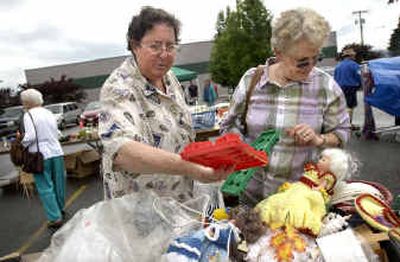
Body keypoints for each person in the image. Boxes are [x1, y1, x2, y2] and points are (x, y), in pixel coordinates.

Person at [99, 7, 233, 201]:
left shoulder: (169, 79)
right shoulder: (119, 88)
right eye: (155, 46)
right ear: (135, 46)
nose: (164, 54)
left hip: (180, 204)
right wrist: (190, 168)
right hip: (141, 214)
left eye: (170, 46)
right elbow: (122, 152)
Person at [220, 7, 350, 206]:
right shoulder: (251, 80)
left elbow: (341, 134)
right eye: (302, 62)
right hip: (251, 197)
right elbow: (229, 124)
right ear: (278, 53)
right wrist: (241, 148)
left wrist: (318, 138)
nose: (310, 67)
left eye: (316, 58)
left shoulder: (326, 87)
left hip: (300, 201)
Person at [20, 89, 66, 228]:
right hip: (56, 151)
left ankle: (54, 217)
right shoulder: (49, 112)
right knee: (58, 183)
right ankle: (60, 208)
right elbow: (58, 133)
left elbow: (31, 136)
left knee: (45, 186)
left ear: (27, 102)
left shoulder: (29, 115)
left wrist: (22, 143)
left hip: (40, 155)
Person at [334, 48, 362, 130]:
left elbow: (335, 78)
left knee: (342, 107)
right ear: (350, 56)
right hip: (350, 87)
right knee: (350, 107)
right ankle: (347, 125)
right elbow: (359, 76)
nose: (354, 57)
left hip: (339, 88)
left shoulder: (338, 65)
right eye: (353, 55)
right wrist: (360, 85)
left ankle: (342, 124)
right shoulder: (354, 65)